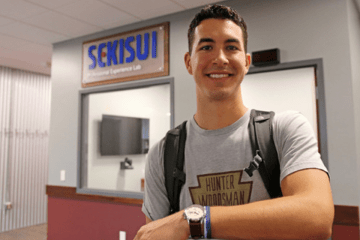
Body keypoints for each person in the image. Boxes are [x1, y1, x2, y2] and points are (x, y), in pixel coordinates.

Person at [134, 4, 334, 240]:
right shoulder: (163, 153)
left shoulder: (284, 129)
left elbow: (316, 216)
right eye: (206, 47)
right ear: (189, 62)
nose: (220, 58)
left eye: (231, 47)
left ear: (247, 62)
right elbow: (154, 234)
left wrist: (194, 219)